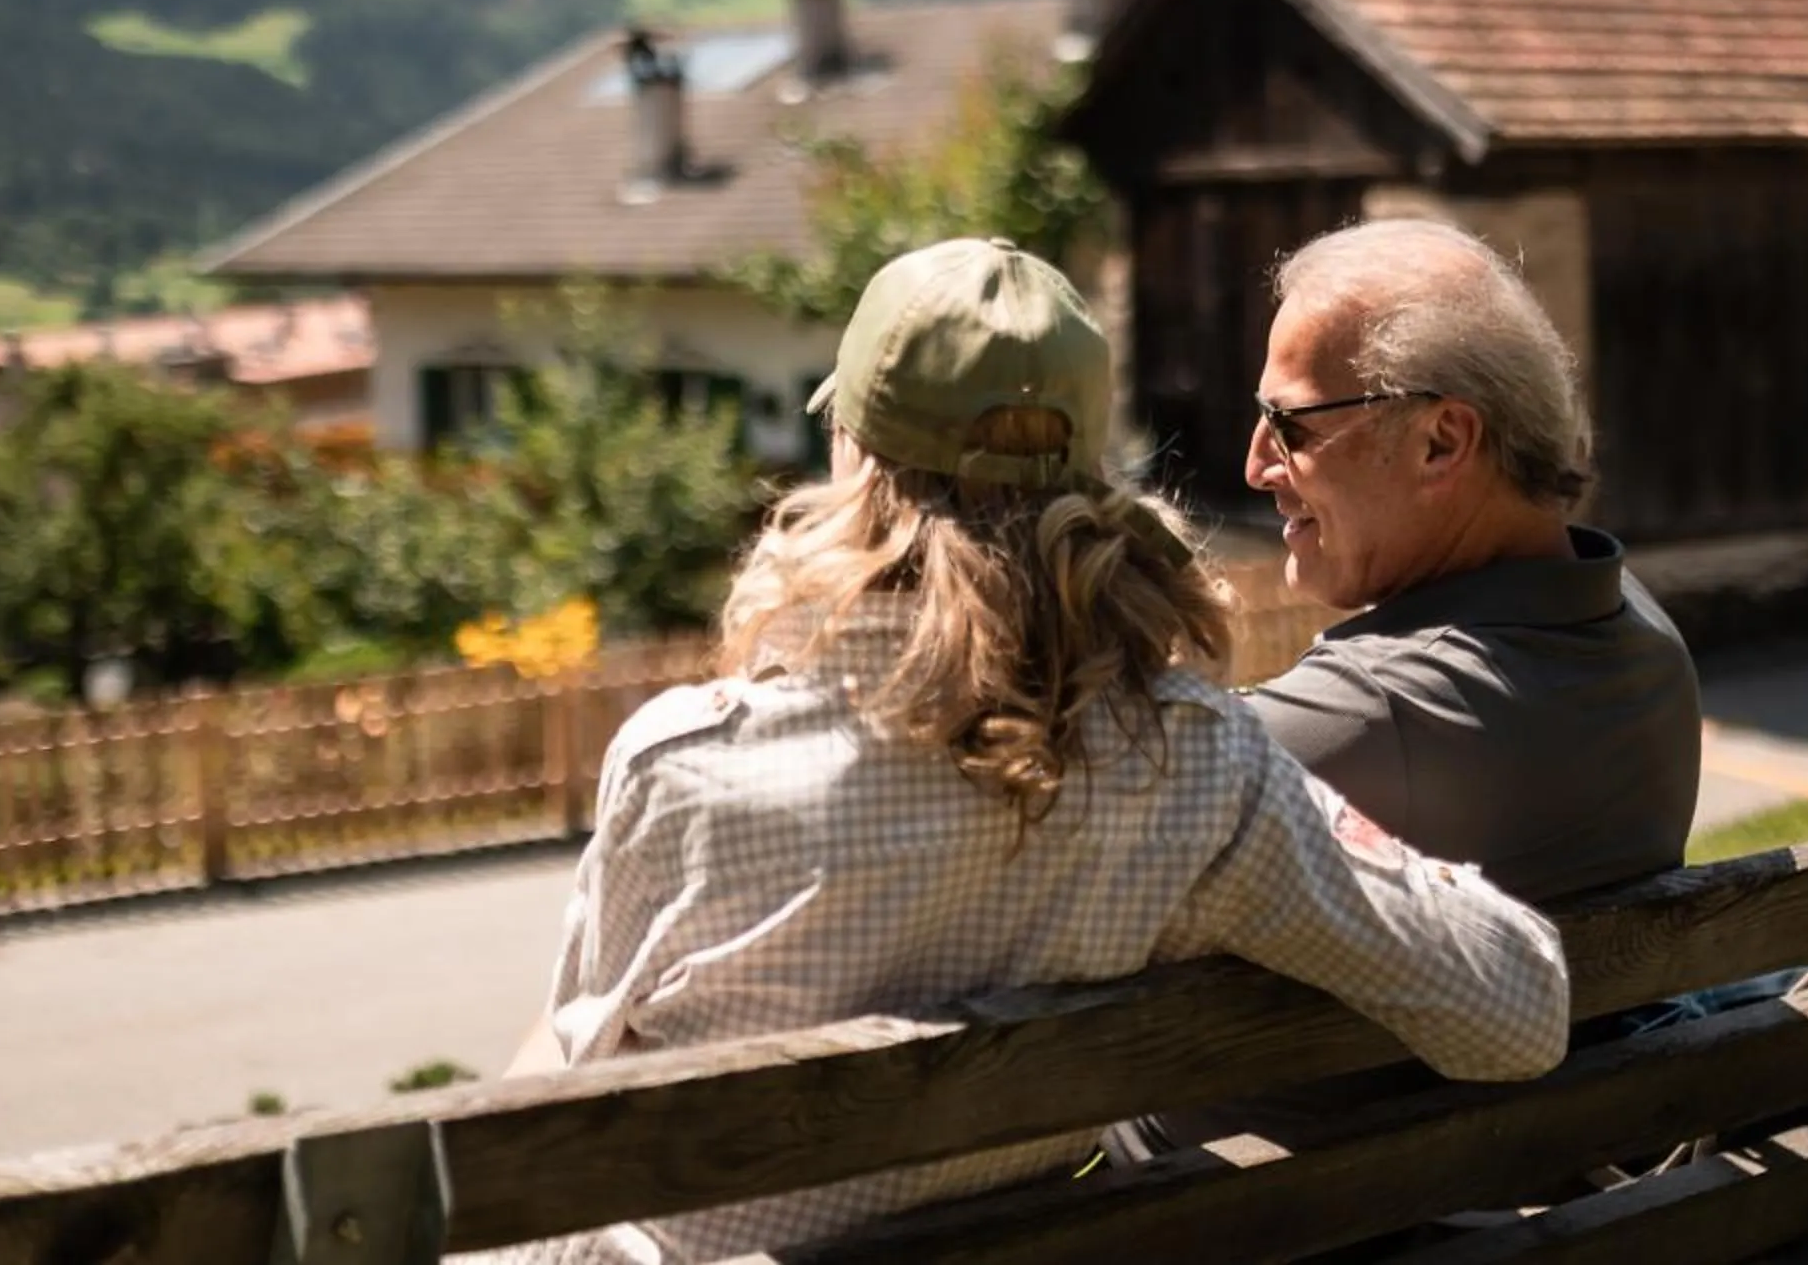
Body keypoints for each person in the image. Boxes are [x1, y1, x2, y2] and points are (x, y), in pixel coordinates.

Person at [493, 237, 1571, 1264]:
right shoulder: (1190, 767)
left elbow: (569, 1116)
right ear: (1082, 477)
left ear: (857, 458)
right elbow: (1518, 1013)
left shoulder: (688, 766)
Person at [1242, 217, 1703, 904]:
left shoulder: (1373, 713)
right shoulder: (1644, 636)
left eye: (1292, 427)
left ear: (1441, 442)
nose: (1255, 467)